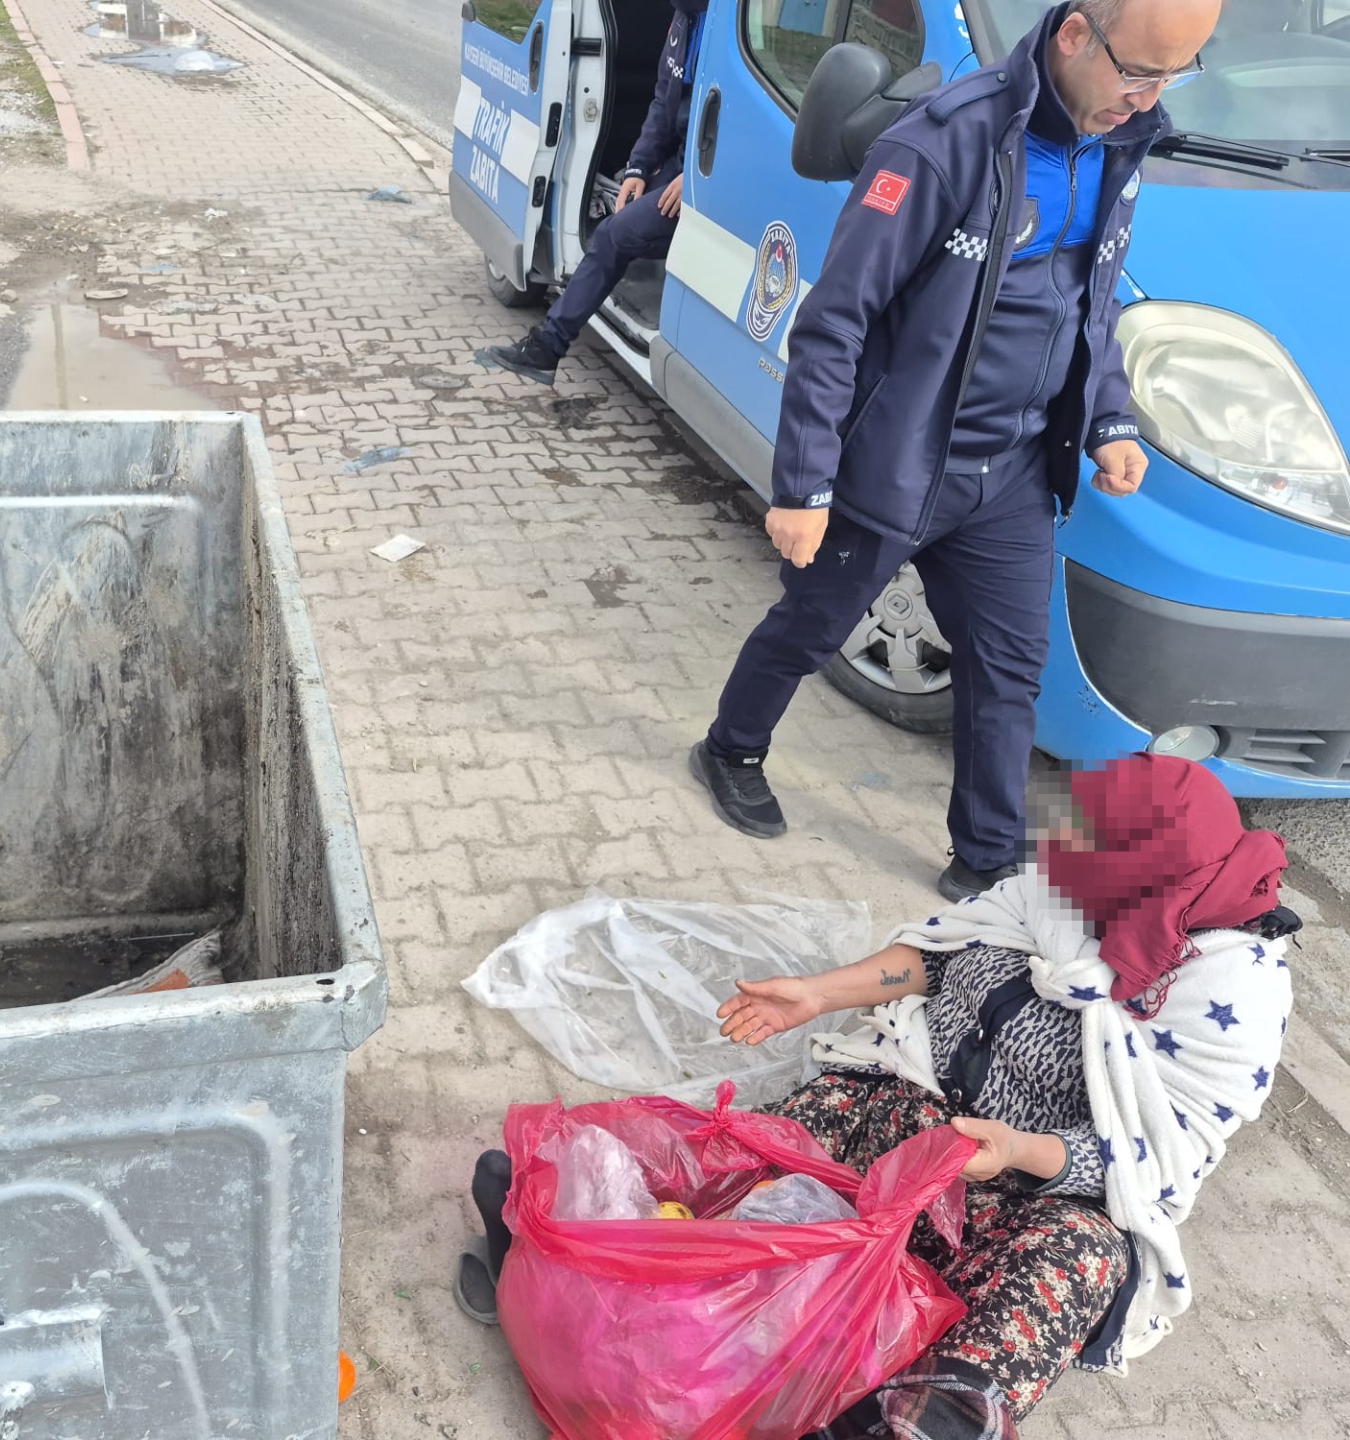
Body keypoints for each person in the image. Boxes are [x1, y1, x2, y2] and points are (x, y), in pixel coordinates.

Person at [457, 754, 1297, 1439]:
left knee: (1079, 1260)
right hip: (904, 1111)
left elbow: (1163, 1151)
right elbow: (941, 955)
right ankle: (577, 1236)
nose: (1062, 863)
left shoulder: (1230, 987)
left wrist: (1014, 1150)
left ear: (1150, 878)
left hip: (1020, 1188)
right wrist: (817, 994)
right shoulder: (1066, 884)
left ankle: (893, 1420)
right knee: (759, 1154)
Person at [688, 0, 1220, 904]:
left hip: (1012, 472)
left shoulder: (1119, 144)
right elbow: (834, 321)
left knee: (1008, 669)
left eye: (1176, 75)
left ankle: (986, 862)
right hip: (901, 462)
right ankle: (729, 750)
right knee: (812, 625)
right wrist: (804, 483)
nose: (1150, 99)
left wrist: (1110, 418)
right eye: (1138, 72)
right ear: (1075, 34)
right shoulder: (940, 144)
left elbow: (1087, 302)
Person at [474, 0, 706, 385]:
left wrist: (699, 178)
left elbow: (742, 125)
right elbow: (662, 101)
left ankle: (548, 346)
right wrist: (638, 167)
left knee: (613, 235)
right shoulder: (683, 18)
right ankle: (548, 345)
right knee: (617, 222)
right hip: (681, 164)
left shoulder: (727, 26)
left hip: (706, 173)